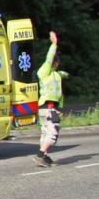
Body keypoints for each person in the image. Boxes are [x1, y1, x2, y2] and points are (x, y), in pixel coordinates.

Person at [34, 31, 68, 167]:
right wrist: (54, 44)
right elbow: (49, 58)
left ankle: (45, 157)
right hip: (47, 108)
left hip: (49, 108)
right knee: (53, 134)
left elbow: (60, 93)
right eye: (57, 62)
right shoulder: (44, 71)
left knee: (45, 133)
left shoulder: (56, 75)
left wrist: (59, 108)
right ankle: (40, 155)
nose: (57, 64)